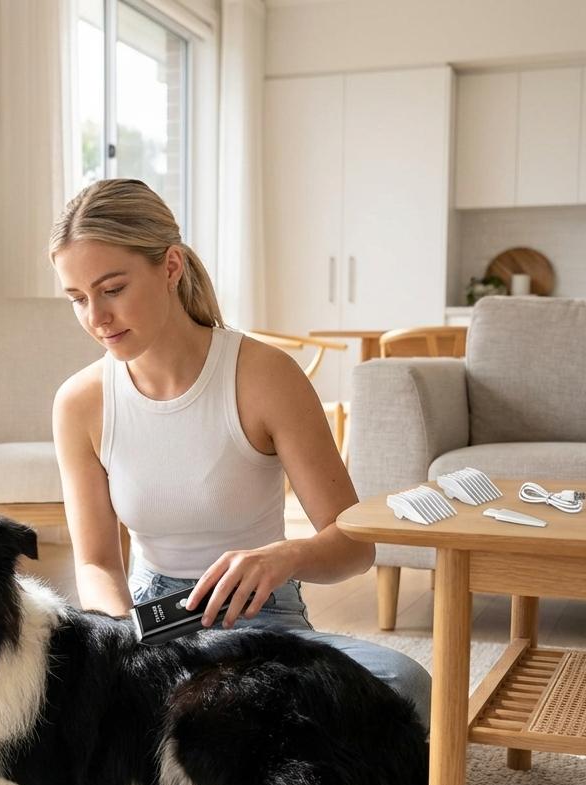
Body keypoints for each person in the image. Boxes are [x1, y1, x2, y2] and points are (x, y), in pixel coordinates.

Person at [49, 178, 431, 729]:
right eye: (78, 299)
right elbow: (96, 564)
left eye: (112, 289)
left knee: (405, 689)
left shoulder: (264, 375)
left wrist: (282, 557)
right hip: (152, 626)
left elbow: (354, 546)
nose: (97, 318)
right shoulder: (79, 403)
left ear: (171, 266)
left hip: (262, 618)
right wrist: (119, 641)